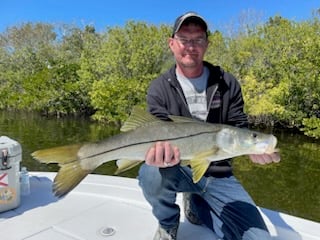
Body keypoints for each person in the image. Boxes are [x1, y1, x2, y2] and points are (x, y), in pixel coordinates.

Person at [138, 12, 280, 240]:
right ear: (172, 44)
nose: (190, 46)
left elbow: (238, 126)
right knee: (151, 173)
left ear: (207, 44)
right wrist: (158, 156)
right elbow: (155, 128)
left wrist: (252, 150)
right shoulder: (159, 88)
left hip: (221, 175)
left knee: (257, 237)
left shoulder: (227, 82)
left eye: (198, 39)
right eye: (184, 39)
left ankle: (196, 206)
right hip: (179, 169)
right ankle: (168, 222)